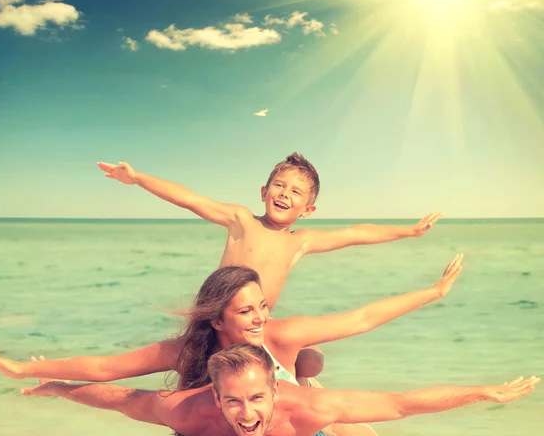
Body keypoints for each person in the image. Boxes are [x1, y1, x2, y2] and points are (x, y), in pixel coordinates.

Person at [0, 256, 462, 436]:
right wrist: (27, 367)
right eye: (245, 310)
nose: (258, 318)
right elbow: (108, 369)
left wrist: (433, 292)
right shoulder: (191, 350)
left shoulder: (281, 335)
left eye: (262, 307)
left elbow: (360, 320)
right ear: (217, 318)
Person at [97, 154, 442, 378]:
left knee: (313, 361)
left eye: (296, 192)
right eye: (279, 185)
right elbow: (188, 197)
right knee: (194, 366)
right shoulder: (241, 220)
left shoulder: (298, 241)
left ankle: (295, 387)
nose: (285, 194)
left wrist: (408, 231)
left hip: (258, 329)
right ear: (264, 191)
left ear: (307, 210)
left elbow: (355, 233)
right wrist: (139, 178)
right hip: (219, 324)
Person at [19, 343, 540, 436]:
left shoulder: (303, 408)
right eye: (233, 403)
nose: (247, 414)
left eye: (256, 399)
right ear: (216, 400)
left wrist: (481, 392)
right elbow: (120, 398)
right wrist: (59, 387)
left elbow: (402, 402)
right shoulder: (187, 410)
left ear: (274, 391)